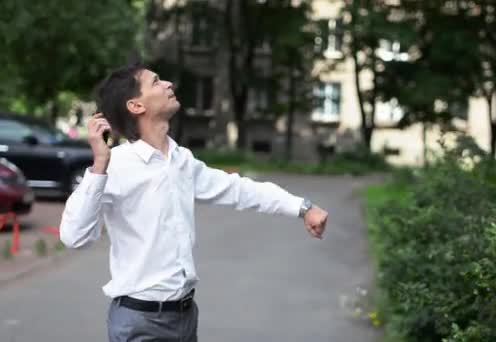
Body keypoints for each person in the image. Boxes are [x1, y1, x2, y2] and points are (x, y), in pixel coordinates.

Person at [59, 63, 329, 342]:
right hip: (140, 322)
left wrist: (303, 207)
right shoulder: (116, 166)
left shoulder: (181, 161)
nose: (167, 84)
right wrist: (100, 164)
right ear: (136, 105)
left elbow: (239, 190)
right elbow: (74, 236)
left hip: (184, 317)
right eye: (155, 82)